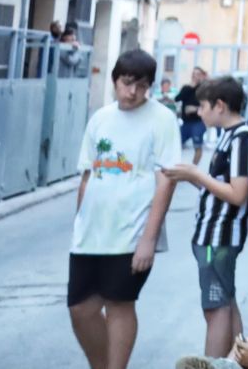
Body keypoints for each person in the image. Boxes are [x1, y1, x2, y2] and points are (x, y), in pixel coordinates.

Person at [69, 48, 180, 369]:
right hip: (90, 233)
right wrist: (79, 222)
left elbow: (166, 181)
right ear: (115, 79)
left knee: (119, 304)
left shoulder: (162, 119)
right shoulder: (101, 118)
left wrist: (149, 238)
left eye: (142, 85)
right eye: (127, 82)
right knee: (81, 309)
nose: (133, 92)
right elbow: (88, 176)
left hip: (132, 231)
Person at [162, 76, 248, 360]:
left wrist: (196, 175)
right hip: (213, 235)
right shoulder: (231, 136)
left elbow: (236, 194)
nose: (199, 112)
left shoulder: (243, 139)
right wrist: (191, 177)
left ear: (220, 106)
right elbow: (219, 186)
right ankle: (241, 362)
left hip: (219, 236)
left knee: (216, 308)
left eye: (203, 106)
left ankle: (213, 366)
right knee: (226, 303)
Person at [177, 67, 208, 166]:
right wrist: (189, 87)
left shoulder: (204, 89)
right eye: (194, 74)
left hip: (198, 122)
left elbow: (209, 104)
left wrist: (194, 108)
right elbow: (177, 98)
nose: (195, 76)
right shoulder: (187, 87)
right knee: (176, 144)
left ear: (202, 75)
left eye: (198, 74)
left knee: (197, 146)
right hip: (186, 122)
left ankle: (193, 168)